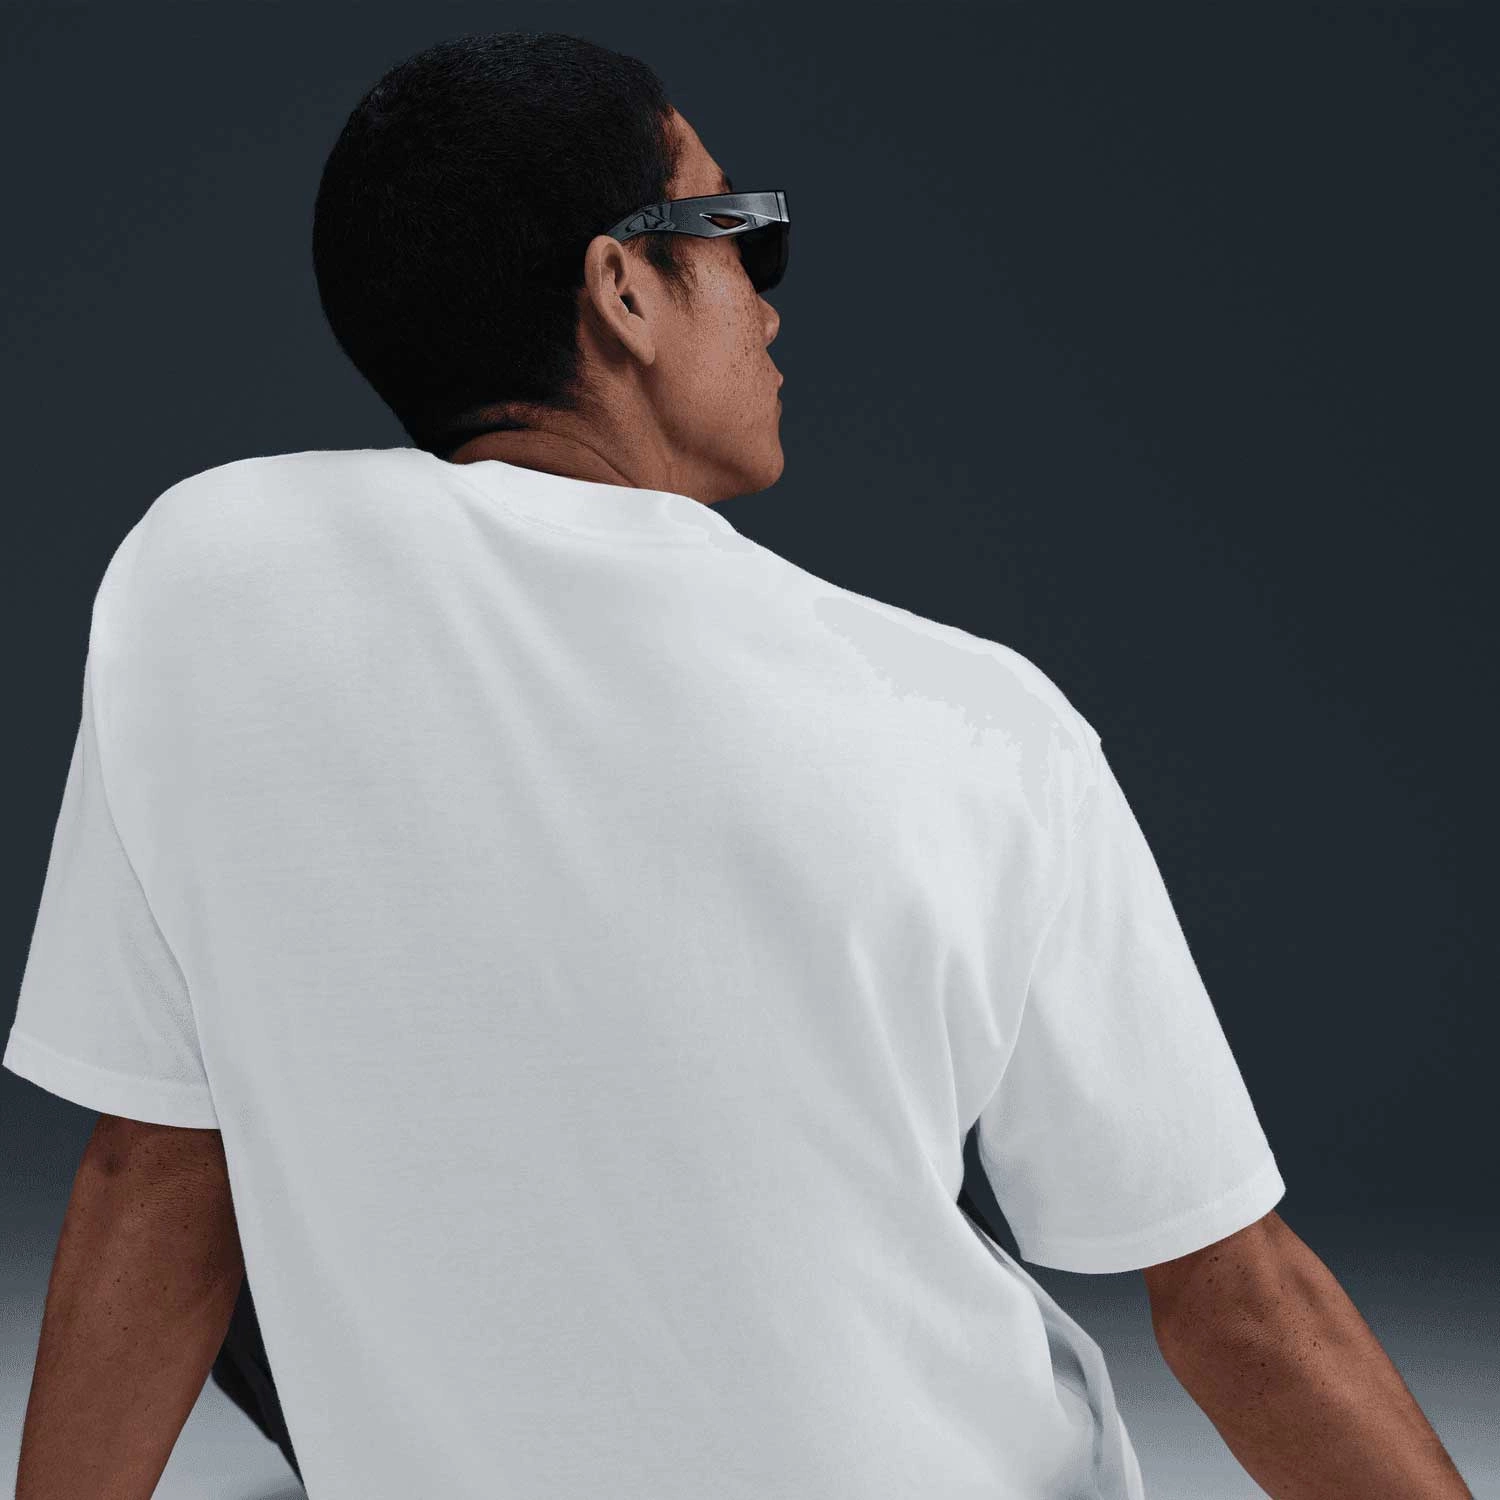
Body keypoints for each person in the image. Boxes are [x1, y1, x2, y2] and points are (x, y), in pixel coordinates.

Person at [3, 29, 1473, 1500]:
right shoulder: (971, 723)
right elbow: (1237, 1303)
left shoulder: (205, 586)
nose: (768, 303)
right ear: (625, 289)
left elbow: (159, 1175)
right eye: (735, 233)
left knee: (280, 1157)